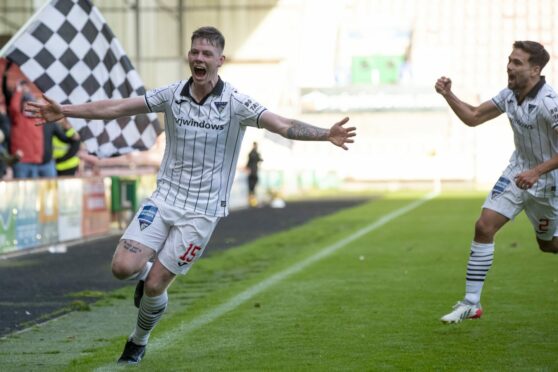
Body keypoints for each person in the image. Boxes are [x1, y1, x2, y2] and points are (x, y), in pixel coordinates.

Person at [25, 26, 356, 364]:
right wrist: (66, 110)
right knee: (123, 268)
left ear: (220, 61)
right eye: (195, 52)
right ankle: (147, 276)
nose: (199, 58)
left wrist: (324, 134)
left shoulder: (237, 104)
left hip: (202, 212)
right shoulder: (171, 95)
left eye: (206, 54)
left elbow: (281, 124)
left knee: (155, 287)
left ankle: (138, 340)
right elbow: (118, 107)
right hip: (164, 199)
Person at [435, 40, 558, 324]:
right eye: (509, 60)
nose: (509, 66)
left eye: (517, 62)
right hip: (517, 173)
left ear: (535, 69)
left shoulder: (549, 103)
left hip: (547, 182)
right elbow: (474, 117)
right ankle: (471, 303)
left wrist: (537, 172)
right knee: (483, 226)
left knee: (549, 245)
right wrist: (448, 94)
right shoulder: (509, 95)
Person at [2, 65, 44, 178]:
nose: (29, 107)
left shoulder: (38, 119)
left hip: (36, 162)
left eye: (30, 104)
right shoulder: (18, 118)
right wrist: (19, 91)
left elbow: (42, 105)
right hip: (21, 161)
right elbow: (14, 107)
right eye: (26, 104)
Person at [246, 141, 263, 207]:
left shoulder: (251, 153)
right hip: (253, 173)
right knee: (252, 188)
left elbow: (248, 163)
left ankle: (252, 202)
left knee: (251, 188)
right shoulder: (255, 153)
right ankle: (252, 202)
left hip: (252, 173)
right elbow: (260, 159)